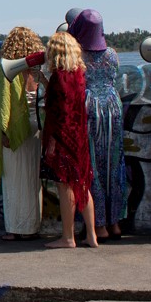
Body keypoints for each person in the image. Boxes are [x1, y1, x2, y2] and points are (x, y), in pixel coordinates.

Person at [39, 30, 99, 248]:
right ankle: (91, 235)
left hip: (63, 137)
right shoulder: (78, 74)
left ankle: (68, 237)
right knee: (82, 183)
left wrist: (52, 143)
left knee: (65, 186)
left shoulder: (59, 77)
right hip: (79, 136)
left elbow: (58, 112)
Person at [69, 8, 126, 239]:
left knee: (91, 163)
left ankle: (99, 225)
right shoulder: (112, 54)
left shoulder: (78, 55)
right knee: (113, 163)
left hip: (89, 107)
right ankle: (115, 222)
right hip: (113, 106)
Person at [0, 26, 44, 240]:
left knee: (13, 180)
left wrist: (4, 131)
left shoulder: (6, 69)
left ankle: (15, 229)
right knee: (31, 178)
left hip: (13, 127)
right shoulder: (37, 69)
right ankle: (32, 227)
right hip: (34, 126)